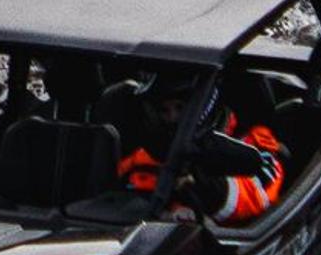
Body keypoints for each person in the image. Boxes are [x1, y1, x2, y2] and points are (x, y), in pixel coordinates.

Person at [107, 72, 288, 225]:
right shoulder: (146, 154)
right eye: (164, 110)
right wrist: (170, 209)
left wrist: (202, 184)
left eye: (180, 108)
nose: (172, 118)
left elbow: (259, 196)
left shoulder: (256, 143)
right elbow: (123, 199)